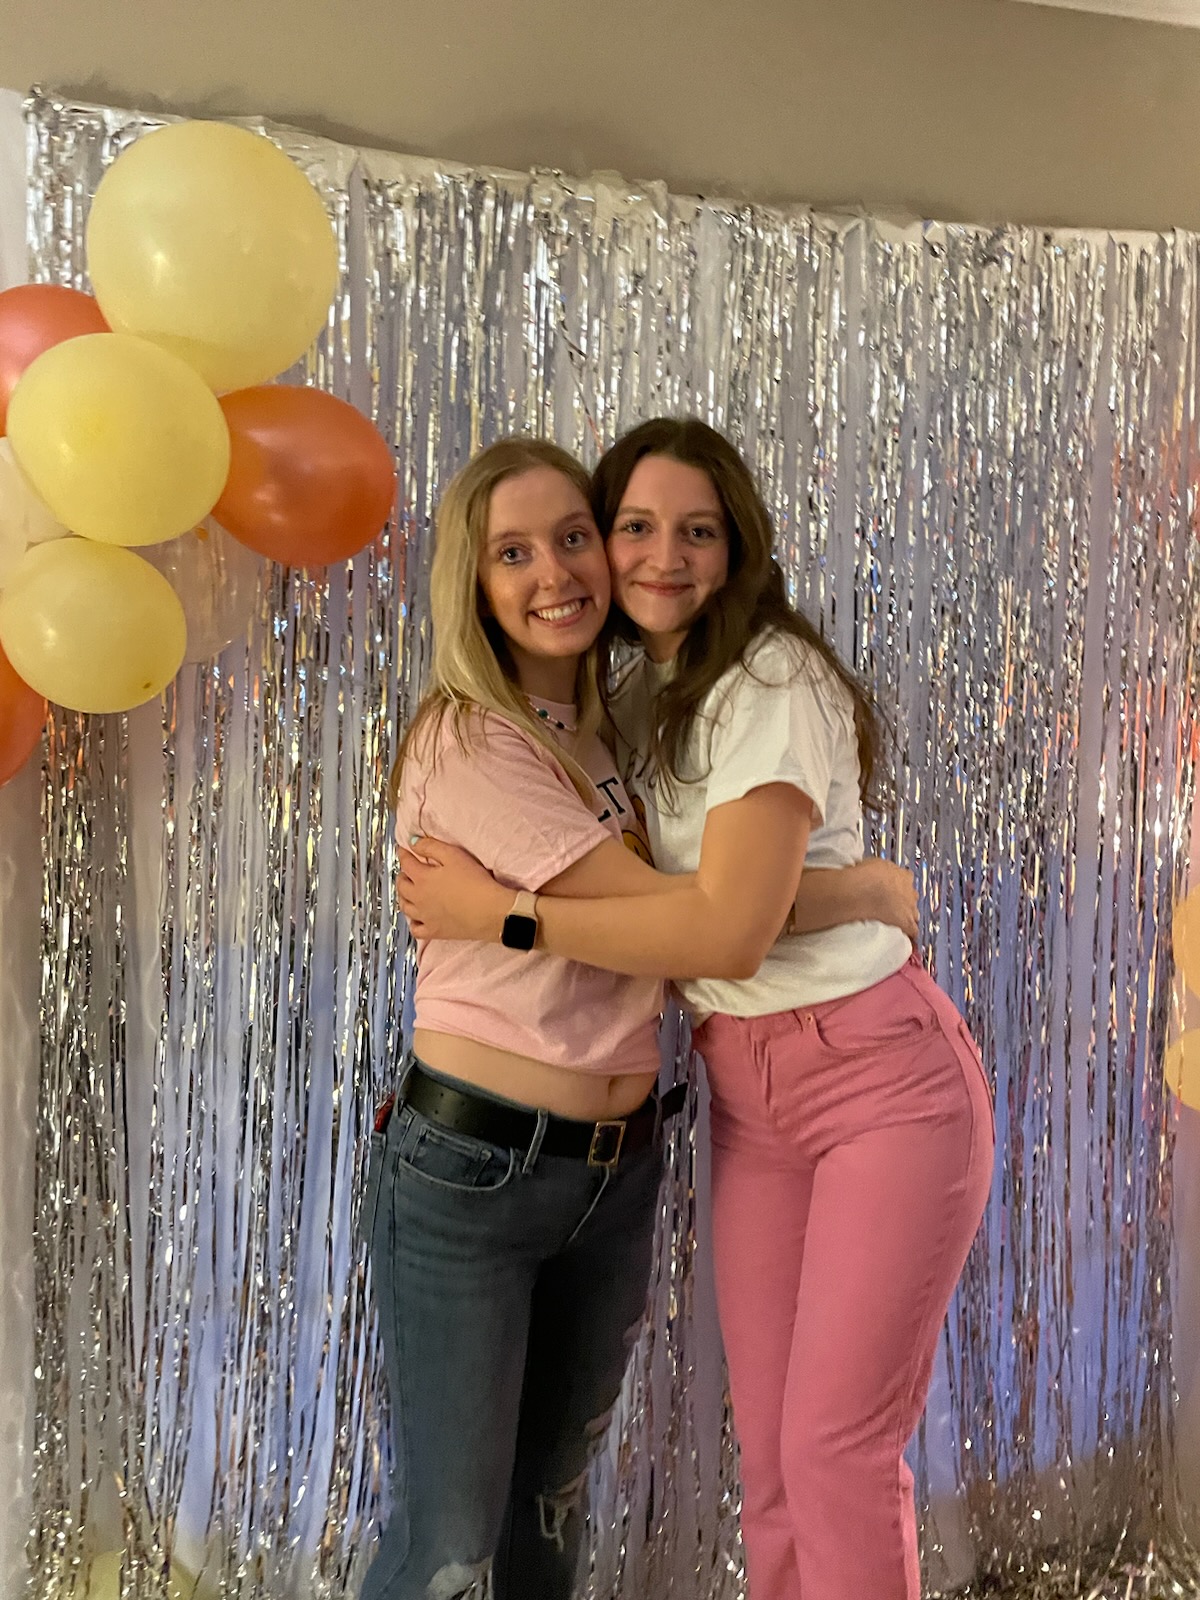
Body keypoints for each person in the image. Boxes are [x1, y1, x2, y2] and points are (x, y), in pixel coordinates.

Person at [396, 418, 995, 1600]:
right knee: (763, 1464)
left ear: (737, 550)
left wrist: (503, 912)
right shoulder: (598, 710)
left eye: (695, 530)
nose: (656, 556)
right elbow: (699, 910)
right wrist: (865, 887)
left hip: (871, 1075)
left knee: (828, 1451)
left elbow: (716, 927)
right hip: (715, 1095)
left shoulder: (756, 679)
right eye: (633, 527)